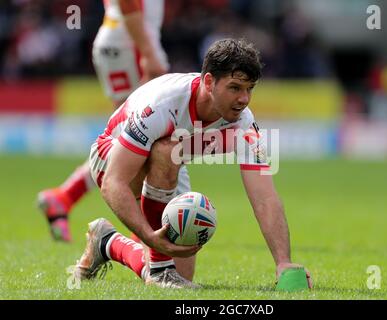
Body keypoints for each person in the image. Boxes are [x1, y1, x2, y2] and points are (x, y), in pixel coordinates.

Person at [71, 38, 313, 290]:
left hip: (168, 162)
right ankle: (159, 269)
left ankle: (108, 243)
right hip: (112, 157)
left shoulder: (243, 123)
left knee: (183, 277)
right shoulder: (162, 105)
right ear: (209, 82)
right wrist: (149, 237)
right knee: (167, 152)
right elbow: (113, 182)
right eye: (235, 88)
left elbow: (265, 197)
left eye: (249, 89)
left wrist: (283, 262)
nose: (244, 99)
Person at [37, 0, 168, 242]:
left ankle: (65, 196)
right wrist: (149, 52)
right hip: (130, 42)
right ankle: (141, 236)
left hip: (121, 38)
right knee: (143, 136)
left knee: (127, 137)